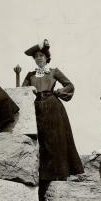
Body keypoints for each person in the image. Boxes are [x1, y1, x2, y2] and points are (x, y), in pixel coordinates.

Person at [22, 39, 84, 187]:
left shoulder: (54, 71)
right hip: (36, 109)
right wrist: (28, 91)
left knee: (56, 141)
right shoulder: (30, 75)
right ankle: (43, 181)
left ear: (46, 57)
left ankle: (59, 178)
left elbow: (70, 85)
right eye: (36, 56)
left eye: (41, 55)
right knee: (42, 143)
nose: (39, 58)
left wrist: (58, 92)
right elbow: (22, 91)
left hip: (53, 108)